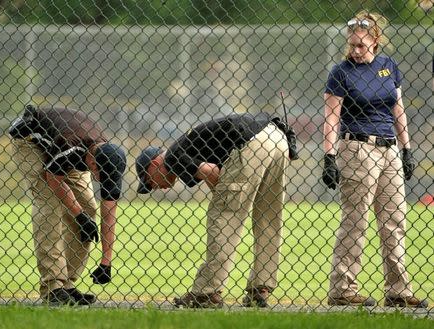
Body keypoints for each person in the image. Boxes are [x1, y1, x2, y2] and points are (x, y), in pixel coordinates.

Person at [322, 11, 427, 308]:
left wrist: (407, 149)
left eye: (361, 46)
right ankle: (342, 288)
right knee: (356, 220)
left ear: (376, 41)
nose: (355, 51)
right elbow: (331, 116)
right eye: (351, 45)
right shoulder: (341, 72)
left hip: (389, 149)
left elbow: (398, 109)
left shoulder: (388, 66)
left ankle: (398, 290)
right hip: (357, 148)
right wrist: (329, 156)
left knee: (394, 221)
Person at [136, 113, 296, 308]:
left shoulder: (172, 157)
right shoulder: (185, 146)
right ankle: (261, 288)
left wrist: (225, 200)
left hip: (250, 143)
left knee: (224, 218)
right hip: (276, 138)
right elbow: (217, 174)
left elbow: (212, 171)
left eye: (149, 180)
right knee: (268, 217)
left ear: (154, 165)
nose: (154, 187)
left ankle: (207, 292)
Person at [9, 104, 126, 305]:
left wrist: (106, 262)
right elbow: (53, 179)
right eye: (98, 174)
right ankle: (53, 285)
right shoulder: (70, 146)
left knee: (88, 208)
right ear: (92, 162)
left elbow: (109, 214)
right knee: (50, 204)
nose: (99, 179)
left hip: (64, 150)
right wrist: (78, 215)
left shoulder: (109, 160)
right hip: (30, 141)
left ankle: (67, 284)